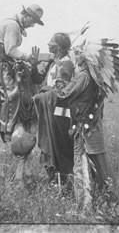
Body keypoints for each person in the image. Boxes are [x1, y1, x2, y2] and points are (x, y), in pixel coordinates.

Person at [56, 40, 119, 210]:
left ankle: (84, 208)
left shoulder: (83, 76)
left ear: (82, 58)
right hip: (92, 128)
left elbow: (63, 95)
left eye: (76, 54)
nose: (74, 57)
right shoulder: (94, 78)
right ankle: (111, 201)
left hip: (83, 131)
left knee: (81, 167)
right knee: (100, 165)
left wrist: (59, 77)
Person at [0, 4, 44, 142]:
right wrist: (27, 57)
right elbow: (10, 50)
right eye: (33, 21)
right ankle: (7, 132)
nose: (33, 25)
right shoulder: (13, 25)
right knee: (12, 94)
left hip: (2, 62)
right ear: (26, 15)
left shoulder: (12, 23)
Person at [32, 33, 75, 184]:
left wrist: (40, 96)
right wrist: (33, 64)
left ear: (60, 46)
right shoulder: (53, 62)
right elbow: (38, 80)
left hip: (58, 112)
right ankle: (54, 180)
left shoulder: (66, 64)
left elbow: (62, 91)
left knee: (57, 143)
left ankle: (61, 181)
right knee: (49, 143)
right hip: (48, 109)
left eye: (51, 41)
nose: (48, 43)